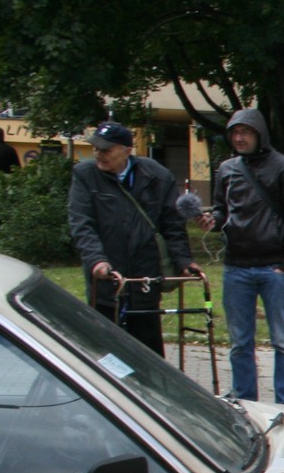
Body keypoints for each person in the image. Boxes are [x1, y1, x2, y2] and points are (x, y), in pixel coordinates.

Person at [200, 108, 284, 406]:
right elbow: (222, 209)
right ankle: (245, 400)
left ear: (259, 133)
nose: (239, 137)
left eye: (245, 131)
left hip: (275, 268)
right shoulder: (227, 169)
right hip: (236, 268)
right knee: (239, 343)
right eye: (234, 132)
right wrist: (213, 220)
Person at [68, 122, 201, 356]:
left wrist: (184, 262)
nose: (99, 154)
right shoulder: (85, 175)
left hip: (145, 276)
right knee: (105, 352)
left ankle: (150, 390)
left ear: (127, 150)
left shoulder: (157, 176)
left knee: (147, 350)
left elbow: (172, 225)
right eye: (96, 148)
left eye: (106, 149)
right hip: (107, 279)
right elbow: (82, 223)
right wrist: (96, 260)